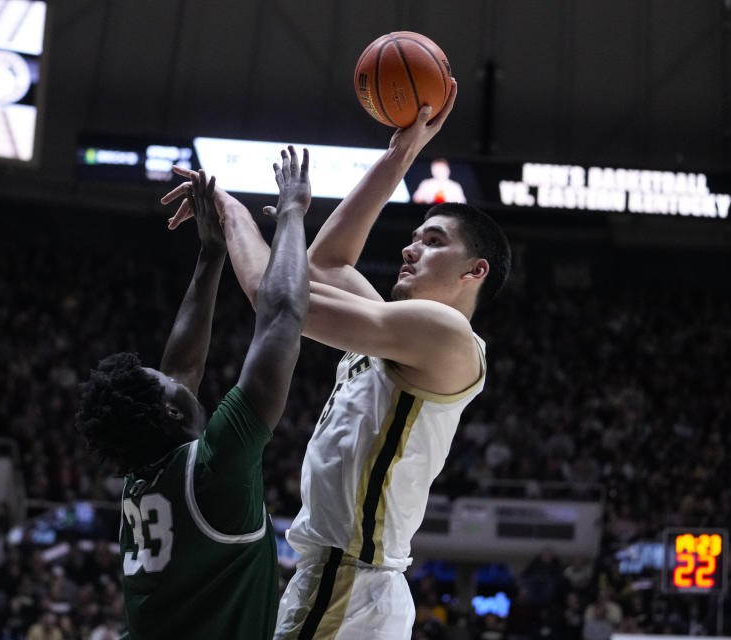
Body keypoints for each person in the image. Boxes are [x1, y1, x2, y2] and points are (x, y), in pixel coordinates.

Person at [201, 79, 512, 638]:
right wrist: (401, 155)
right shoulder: (399, 332)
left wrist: (234, 215)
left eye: (434, 240)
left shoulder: (444, 332)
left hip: (348, 583)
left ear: (475, 272)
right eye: (414, 235)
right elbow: (321, 265)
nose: (409, 246)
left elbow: (278, 301)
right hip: (348, 585)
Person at [76, 148, 312, 639]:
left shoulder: (142, 476)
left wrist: (210, 253)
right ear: (168, 410)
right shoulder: (213, 470)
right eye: (162, 380)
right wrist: (292, 211)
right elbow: (284, 313)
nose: (173, 375)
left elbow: (181, 369)